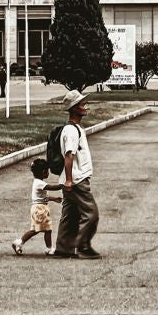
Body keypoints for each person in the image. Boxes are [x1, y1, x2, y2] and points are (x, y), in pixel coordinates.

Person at [53, 92, 101, 259]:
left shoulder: (77, 128)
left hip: (73, 178)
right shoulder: (71, 131)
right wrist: (68, 180)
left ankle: (64, 247)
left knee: (70, 214)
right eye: (82, 104)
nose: (86, 107)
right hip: (76, 179)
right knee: (91, 213)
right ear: (74, 109)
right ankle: (83, 245)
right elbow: (69, 156)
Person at [13, 158, 62, 256]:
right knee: (45, 229)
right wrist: (63, 185)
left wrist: (54, 199)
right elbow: (52, 187)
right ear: (44, 172)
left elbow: (43, 197)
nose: (48, 173)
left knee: (37, 230)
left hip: (38, 208)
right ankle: (48, 248)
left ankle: (20, 242)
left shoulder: (37, 183)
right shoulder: (40, 183)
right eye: (47, 171)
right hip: (40, 209)